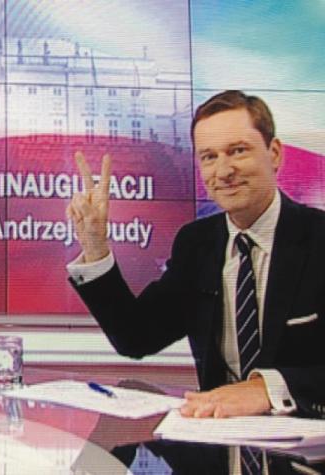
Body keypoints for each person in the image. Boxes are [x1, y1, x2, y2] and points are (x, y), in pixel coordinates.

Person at [68, 89, 325, 471]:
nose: (224, 171)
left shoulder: (318, 238)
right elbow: (136, 337)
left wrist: (267, 390)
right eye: (209, 157)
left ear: (274, 153)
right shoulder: (197, 245)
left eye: (238, 151)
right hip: (216, 453)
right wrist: (95, 246)